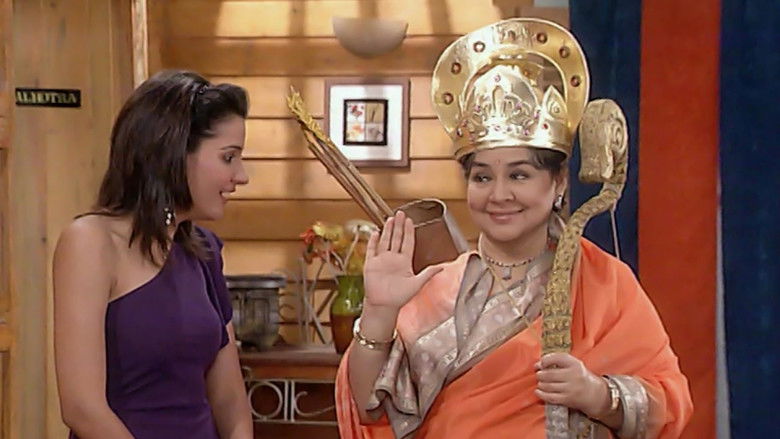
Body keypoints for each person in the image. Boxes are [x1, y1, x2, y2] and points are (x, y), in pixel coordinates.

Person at [335, 18, 693, 438]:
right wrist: (379, 312)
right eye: (482, 177)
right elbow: (369, 409)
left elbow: (670, 402)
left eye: (519, 175)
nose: (499, 194)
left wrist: (599, 395)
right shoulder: (437, 285)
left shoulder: (603, 282)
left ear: (558, 183)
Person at [53, 70, 253, 439]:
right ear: (172, 154)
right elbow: (82, 408)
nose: (241, 176)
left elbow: (229, 401)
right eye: (228, 157)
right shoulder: (90, 242)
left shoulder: (205, 251)